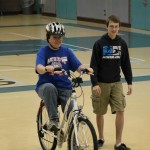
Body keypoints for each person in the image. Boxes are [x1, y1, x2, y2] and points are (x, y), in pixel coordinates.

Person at [35, 22, 93, 133]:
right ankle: (53, 120)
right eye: (55, 37)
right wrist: (46, 68)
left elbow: (77, 66)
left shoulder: (67, 51)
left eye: (60, 37)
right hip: (45, 87)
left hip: (64, 88)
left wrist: (85, 69)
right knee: (50, 88)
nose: (58, 40)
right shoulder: (43, 51)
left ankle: (74, 139)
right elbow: (39, 68)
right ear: (48, 38)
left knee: (73, 113)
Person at [90, 15, 132, 150]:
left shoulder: (122, 44)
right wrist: (94, 83)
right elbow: (93, 66)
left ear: (119, 27)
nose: (114, 29)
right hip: (101, 84)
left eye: (116, 26)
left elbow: (126, 64)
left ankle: (118, 142)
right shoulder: (99, 44)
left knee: (120, 110)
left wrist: (129, 82)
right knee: (100, 112)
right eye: (111, 26)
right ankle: (101, 137)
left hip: (116, 83)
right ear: (106, 27)